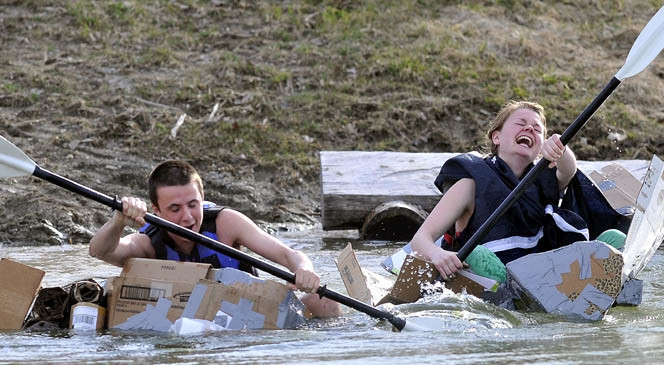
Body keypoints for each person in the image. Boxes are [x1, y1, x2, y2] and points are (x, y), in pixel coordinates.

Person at [89, 160, 342, 318]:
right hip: (189, 324)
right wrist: (118, 221)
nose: (187, 217)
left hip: (247, 317)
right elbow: (100, 251)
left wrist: (304, 270)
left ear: (202, 197)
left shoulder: (226, 222)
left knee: (326, 301)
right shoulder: (149, 242)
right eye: (175, 209)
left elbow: (290, 255)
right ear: (156, 210)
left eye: (192, 204)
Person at [410, 100, 626, 282]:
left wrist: (561, 147)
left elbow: (568, 170)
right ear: (496, 137)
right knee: (477, 255)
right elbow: (420, 240)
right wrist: (438, 255)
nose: (529, 129)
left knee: (616, 240)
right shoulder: (470, 183)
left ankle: (595, 288)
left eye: (537, 129)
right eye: (521, 123)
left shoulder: (546, 178)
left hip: (547, 279)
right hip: (496, 282)